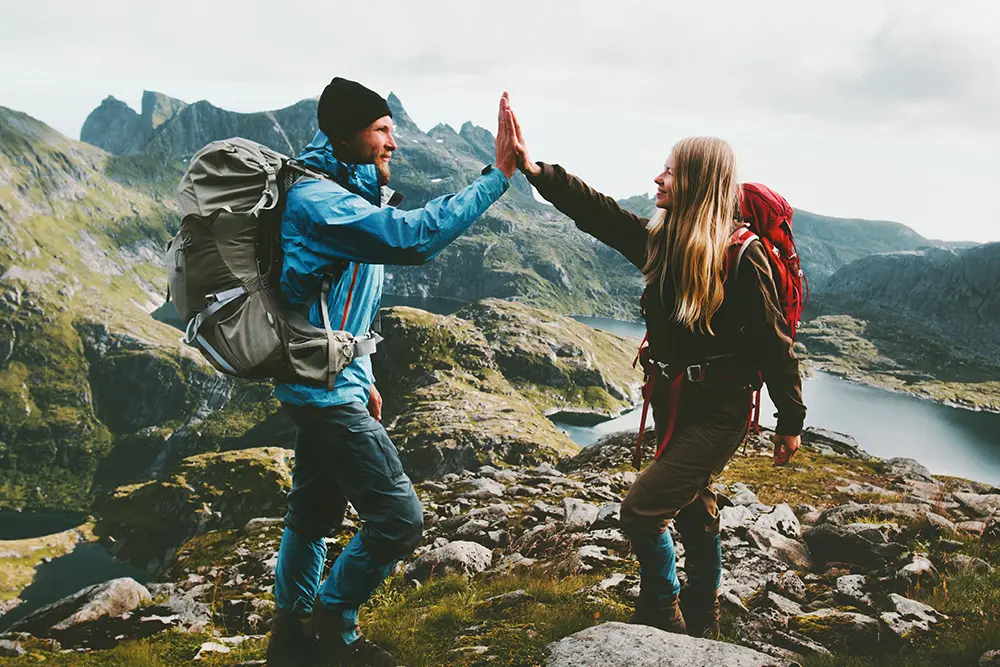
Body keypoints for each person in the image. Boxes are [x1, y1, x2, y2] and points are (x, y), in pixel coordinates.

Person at [508, 103, 805, 639]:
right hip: (674, 402)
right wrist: (537, 171)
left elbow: (774, 345)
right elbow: (598, 213)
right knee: (692, 510)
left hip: (720, 412)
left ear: (699, 182)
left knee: (643, 512)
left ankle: (661, 612)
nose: (657, 178)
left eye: (670, 170)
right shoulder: (666, 243)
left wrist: (791, 421)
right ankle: (704, 618)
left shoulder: (744, 257)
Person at [267, 78, 518, 667]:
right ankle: (333, 626)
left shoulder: (348, 193)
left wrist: (367, 374)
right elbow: (413, 240)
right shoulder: (319, 201)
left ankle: (290, 634)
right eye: (381, 129)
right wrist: (496, 177)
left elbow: (349, 302)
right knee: (400, 521)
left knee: (312, 516)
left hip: (330, 381)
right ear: (345, 134)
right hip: (323, 392)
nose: (393, 142)